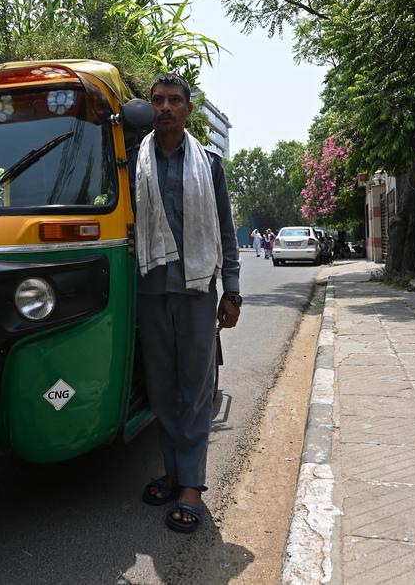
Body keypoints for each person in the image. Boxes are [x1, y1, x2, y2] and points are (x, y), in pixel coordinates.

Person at [133, 73, 241, 534]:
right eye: (158, 100)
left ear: (188, 110)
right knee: (161, 389)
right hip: (150, 290)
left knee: (195, 390)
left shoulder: (209, 164)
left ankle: (192, 486)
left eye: (175, 100)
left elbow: (225, 229)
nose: (165, 107)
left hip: (198, 290)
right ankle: (174, 471)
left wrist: (232, 289)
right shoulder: (133, 163)